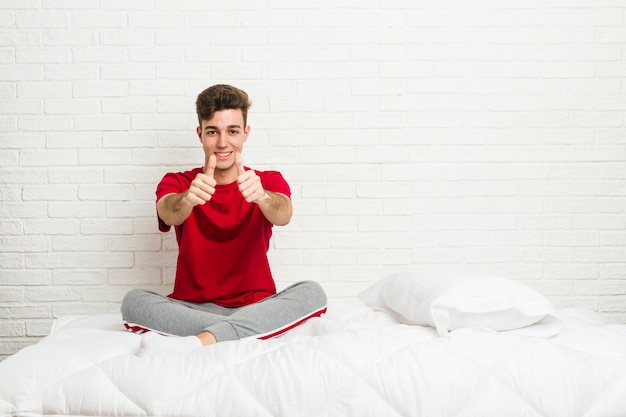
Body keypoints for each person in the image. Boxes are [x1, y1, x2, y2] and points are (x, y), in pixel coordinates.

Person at [121, 84, 327, 356]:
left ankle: (201, 341)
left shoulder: (265, 181)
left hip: (256, 305)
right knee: (133, 302)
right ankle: (245, 331)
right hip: (191, 308)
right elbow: (167, 211)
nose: (222, 143)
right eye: (212, 132)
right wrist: (188, 199)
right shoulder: (179, 182)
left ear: (245, 134)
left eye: (232, 131)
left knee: (313, 293)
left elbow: (283, 214)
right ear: (200, 134)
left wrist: (263, 197)